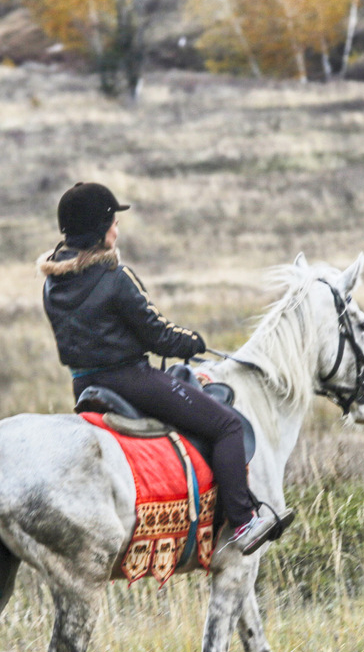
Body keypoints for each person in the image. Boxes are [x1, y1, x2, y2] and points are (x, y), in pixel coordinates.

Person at [39, 182, 281, 555]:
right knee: (226, 425)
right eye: (112, 222)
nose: (116, 230)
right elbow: (158, 335)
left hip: (83, 386)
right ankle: (245, 521)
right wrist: (192, 341)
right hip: (132, 382)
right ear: (99, 230)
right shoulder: (115, 278)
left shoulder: (52, 284)